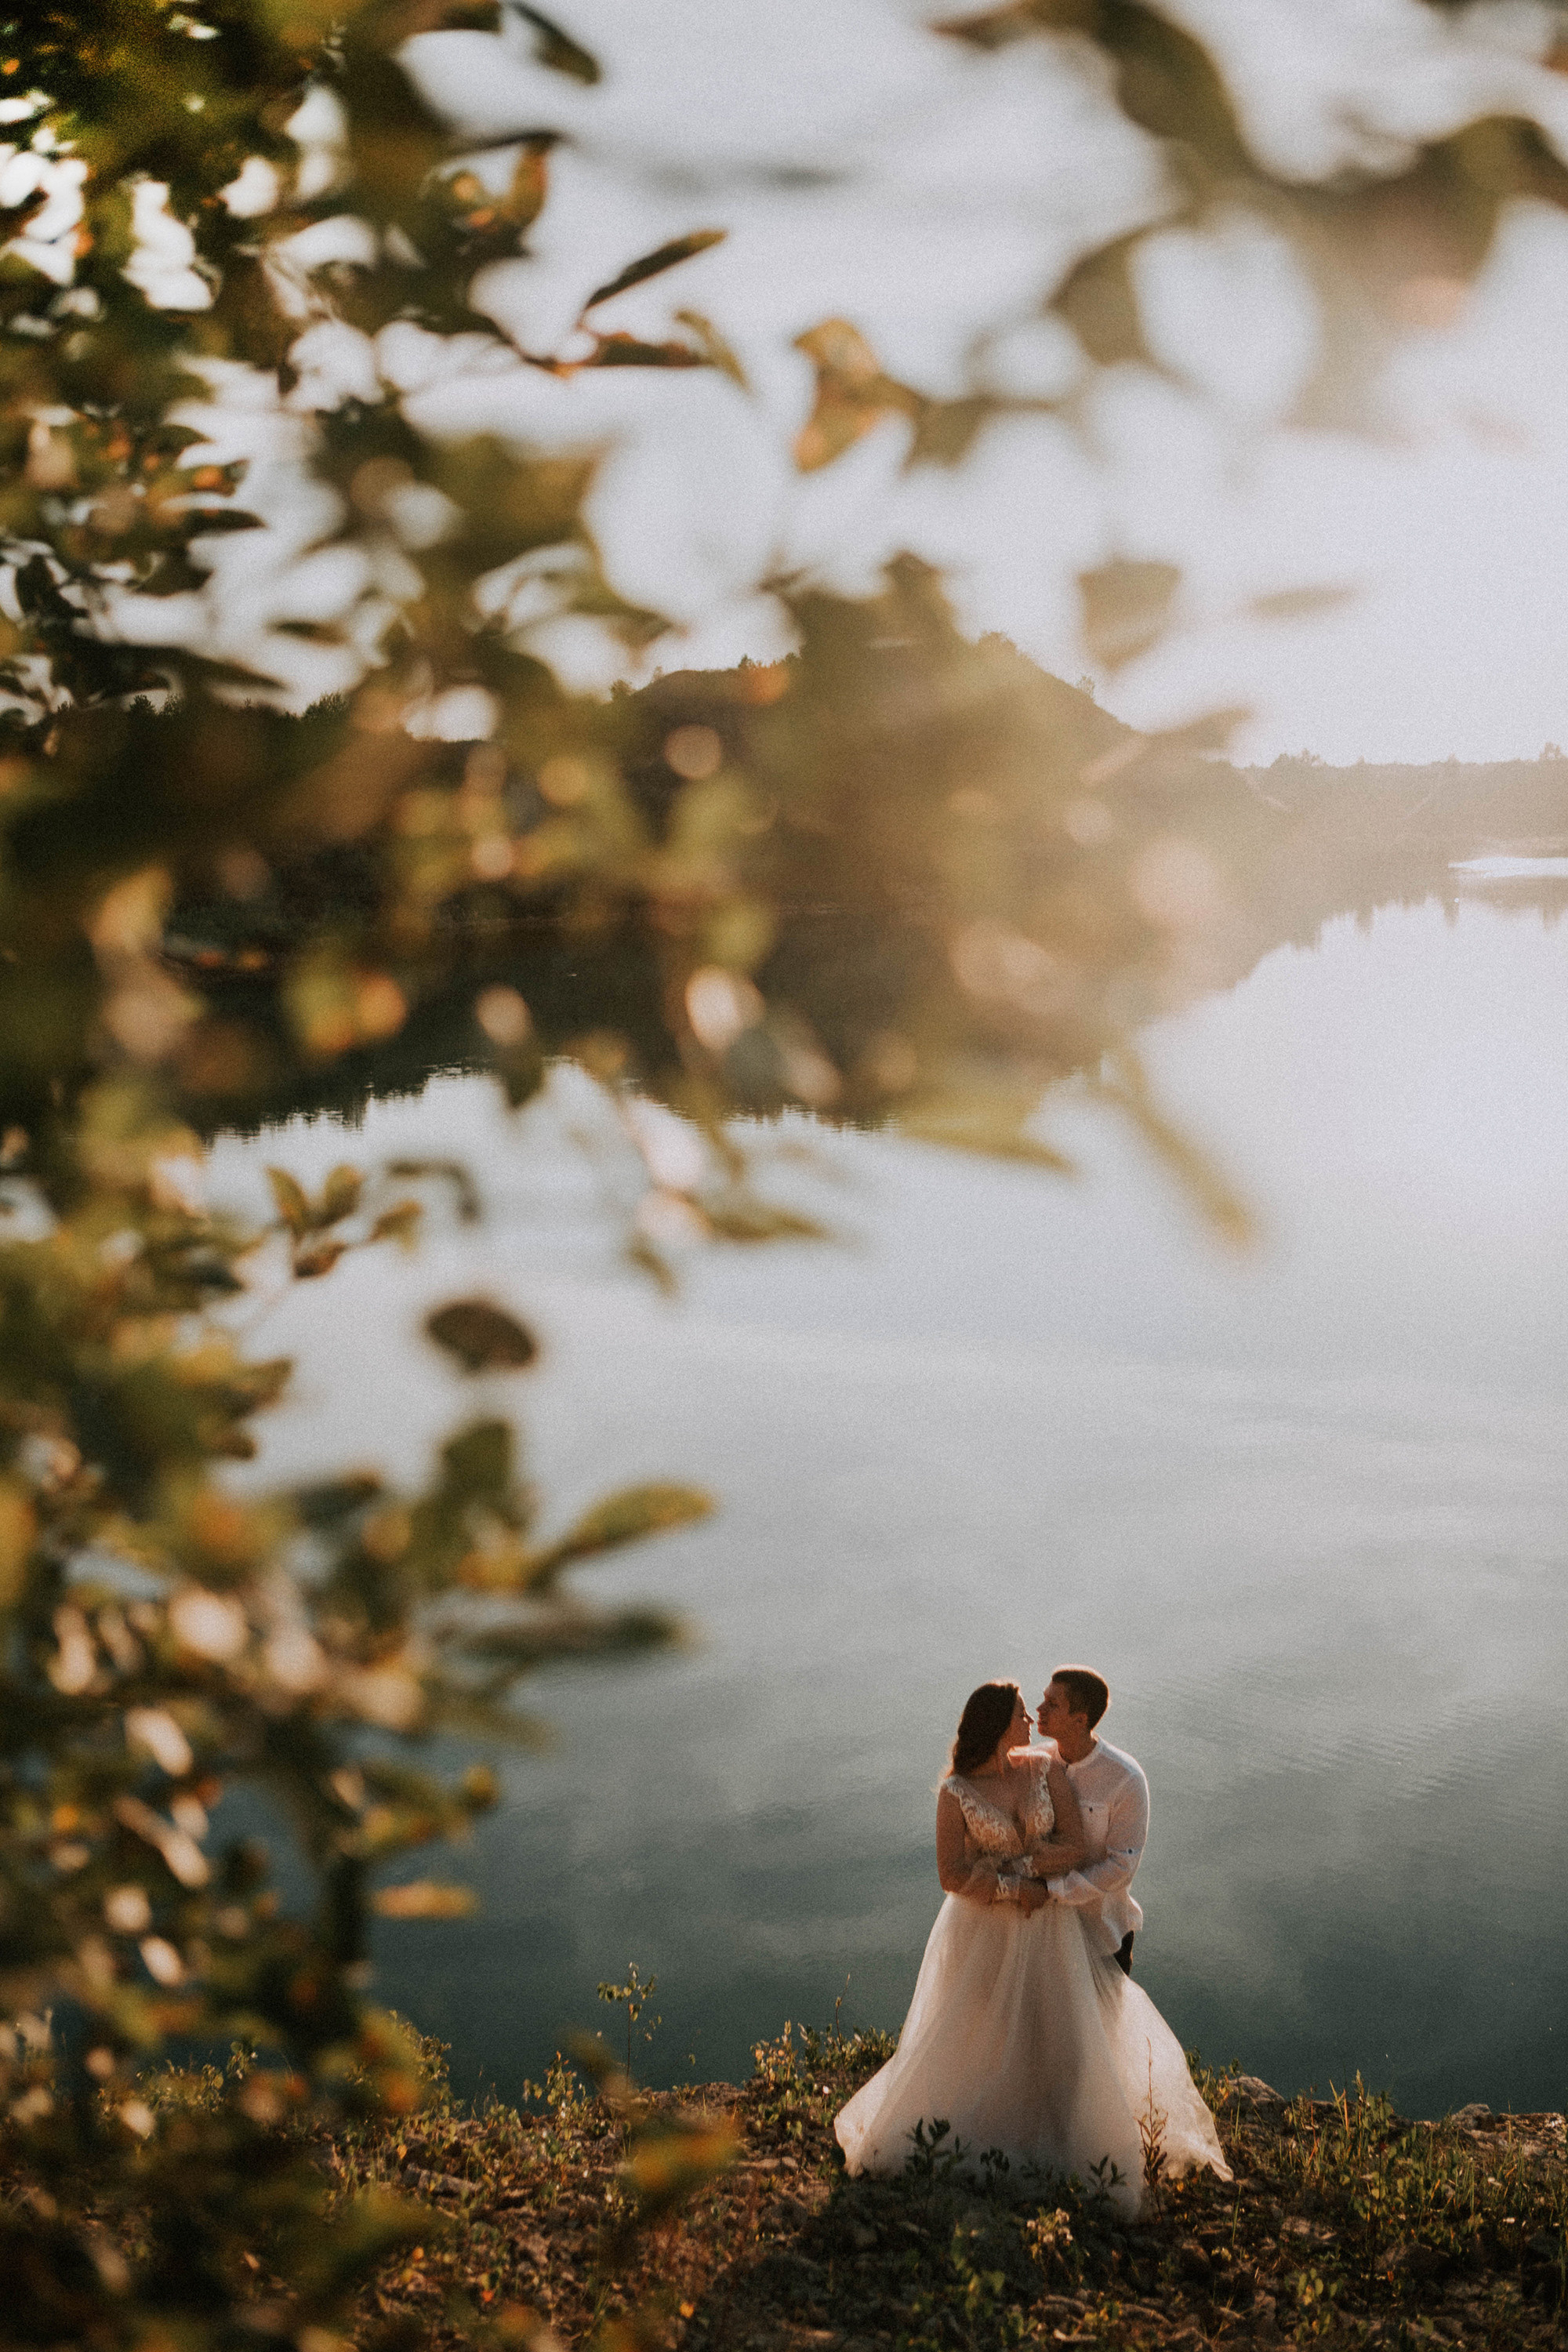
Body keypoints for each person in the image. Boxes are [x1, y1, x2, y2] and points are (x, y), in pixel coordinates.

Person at [833, 1676, 1230, 2209]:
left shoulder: (1053, 1770)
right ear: (998, 1728)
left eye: (1045, 1707)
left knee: (1066, 2030)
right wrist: (1008, 1886)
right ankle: (994, 2128)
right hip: (984, 1929)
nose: (1033, 1717)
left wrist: (1034, 1879)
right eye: (1025, 1711)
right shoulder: (955, 1793)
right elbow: (951, 1875)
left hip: (1053, 1924)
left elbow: (1074, 1845)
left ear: (1082, 1717)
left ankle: (1068, 2135)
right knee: (984, 2031)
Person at [1031, 1666, 1147, 1978]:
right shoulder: (1037, 1760)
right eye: (1044, 1700)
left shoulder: (1126, 1778)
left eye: (1053, 1705)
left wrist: (1051, 1889)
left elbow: (1122, 1866)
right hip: (1038, 1931)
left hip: (1101, 1938)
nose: (1038, 1710)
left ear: (1080, 1720)